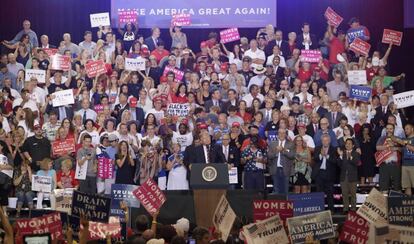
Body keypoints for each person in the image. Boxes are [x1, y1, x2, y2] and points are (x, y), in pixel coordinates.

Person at [312, 134, 337, 211]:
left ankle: (331, 210)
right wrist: (320, 155)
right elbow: (315, 159)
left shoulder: (333, 149)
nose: (325, 142)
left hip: (329, 174)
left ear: (329, 141)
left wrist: (327, 156)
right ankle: (320, 210)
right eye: (323, 140)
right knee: (319, 194)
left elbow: (335, 161)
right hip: (319, 174)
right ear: (321, 141)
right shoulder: (317, 148)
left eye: (326, 140)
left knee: (330, 194)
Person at [268, 128, 295, 194]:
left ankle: (285, 203)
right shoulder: (272, 144)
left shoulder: (290, 144)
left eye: (283, 133)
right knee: (276, 190)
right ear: (277, 134)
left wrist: (283, 150)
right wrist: (276, 151)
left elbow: (292, 156)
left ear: (286, 134)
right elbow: (269, 156)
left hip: (286, 169)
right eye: (280, 133)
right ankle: (276, 203)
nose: (281, 134)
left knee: (285, 190)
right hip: (275, 169)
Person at [376, 123, 402, 192]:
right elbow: (377, 147)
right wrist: (388, 146)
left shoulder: (398, 138)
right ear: (385, 130)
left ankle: (397, 202)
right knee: (384, 188)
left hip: (395, 164)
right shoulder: (382, 138)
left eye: (391, 129)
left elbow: (402, 149)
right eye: (387, 129)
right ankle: (384, 202)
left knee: (397, 187)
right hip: (384, 164)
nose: (389, 130)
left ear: (393, 129)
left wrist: (394, 147)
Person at [337, 138, 360, 213]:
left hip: (353, 177)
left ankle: (353, 209)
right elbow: (339, 165)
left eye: (349, 143)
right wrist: (340, 157)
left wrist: (350, 157)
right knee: (344, 194)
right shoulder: (342, 153)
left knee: (353, 194)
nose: (348, 145)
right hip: (343, 177)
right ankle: (345, 209)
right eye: (346, 143)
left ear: (353, 145)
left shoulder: (356, 153)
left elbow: (356, 163)